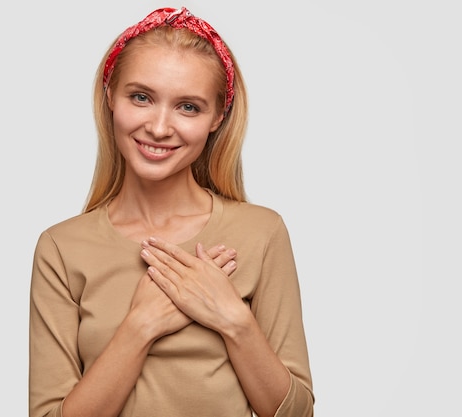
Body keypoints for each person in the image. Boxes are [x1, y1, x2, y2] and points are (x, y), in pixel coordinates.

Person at [29, 6, 314, 417]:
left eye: (188, 107)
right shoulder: (62, 248)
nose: (160, 128)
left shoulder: (261, 233)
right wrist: (140, 326)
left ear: (218, 117)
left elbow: (297, 414)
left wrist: (233, 319)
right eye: (141, 97)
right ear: (109, 95)